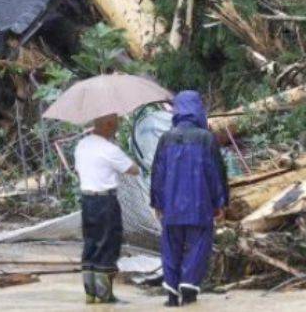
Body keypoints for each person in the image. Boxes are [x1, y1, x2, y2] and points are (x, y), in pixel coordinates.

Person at [150, 91, 228, 307]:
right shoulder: (206, 138)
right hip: (200, 205)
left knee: (170, 248)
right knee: (199, 245)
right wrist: (220, 202)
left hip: (171, 207)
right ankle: (189, 286)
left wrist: (157, 202)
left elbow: (158, 173)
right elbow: (216, 173)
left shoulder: (166, 138)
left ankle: (172, 294)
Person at [75, 113, 140, 304]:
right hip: (105, 202)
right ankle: (105, 295)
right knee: (108, 244)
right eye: (116, 124)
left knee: (91, 243)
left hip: (87, 200)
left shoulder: (82, 145)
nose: (117, 127)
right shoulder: (110, 149)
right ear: (109, 125)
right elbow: (133, 169)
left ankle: (90, 293)